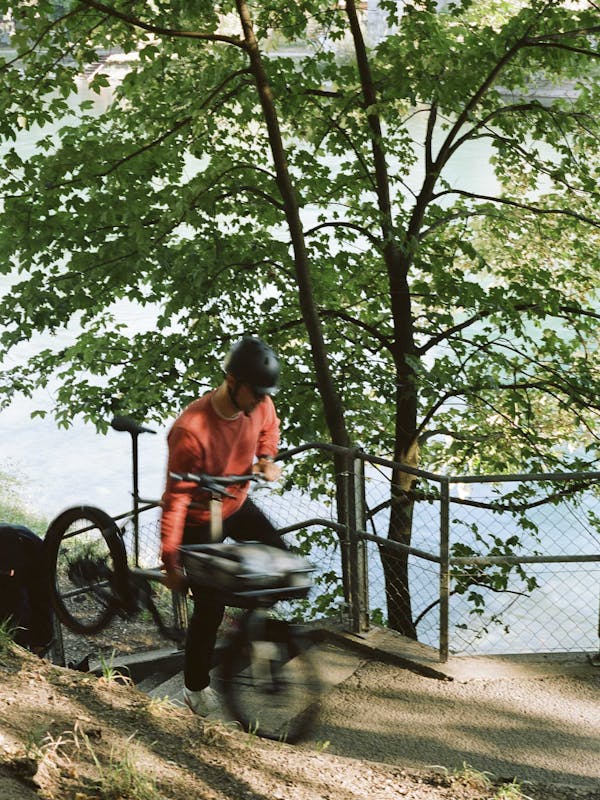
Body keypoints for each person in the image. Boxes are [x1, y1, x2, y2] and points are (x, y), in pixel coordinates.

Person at [160, 336, 286, 716]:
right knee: (209, 608)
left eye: (265, 394)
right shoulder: (191, 429)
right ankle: (195, 689)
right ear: (232, 381)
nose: (260, 401)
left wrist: (266, 458)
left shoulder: (260, 402)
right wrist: (171, 562)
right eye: (255, 393)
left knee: (280, 562)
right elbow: (175, 499)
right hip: (199, 519)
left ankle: (242, 633)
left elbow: (269, 428)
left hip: (235, 504)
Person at [0, 524, 54, 656]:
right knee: (15, 599)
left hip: (28, 548)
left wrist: (40, 641)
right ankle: (24, 645)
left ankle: (35, 645)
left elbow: (42, 597)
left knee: (34, 597)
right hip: (22, 544)